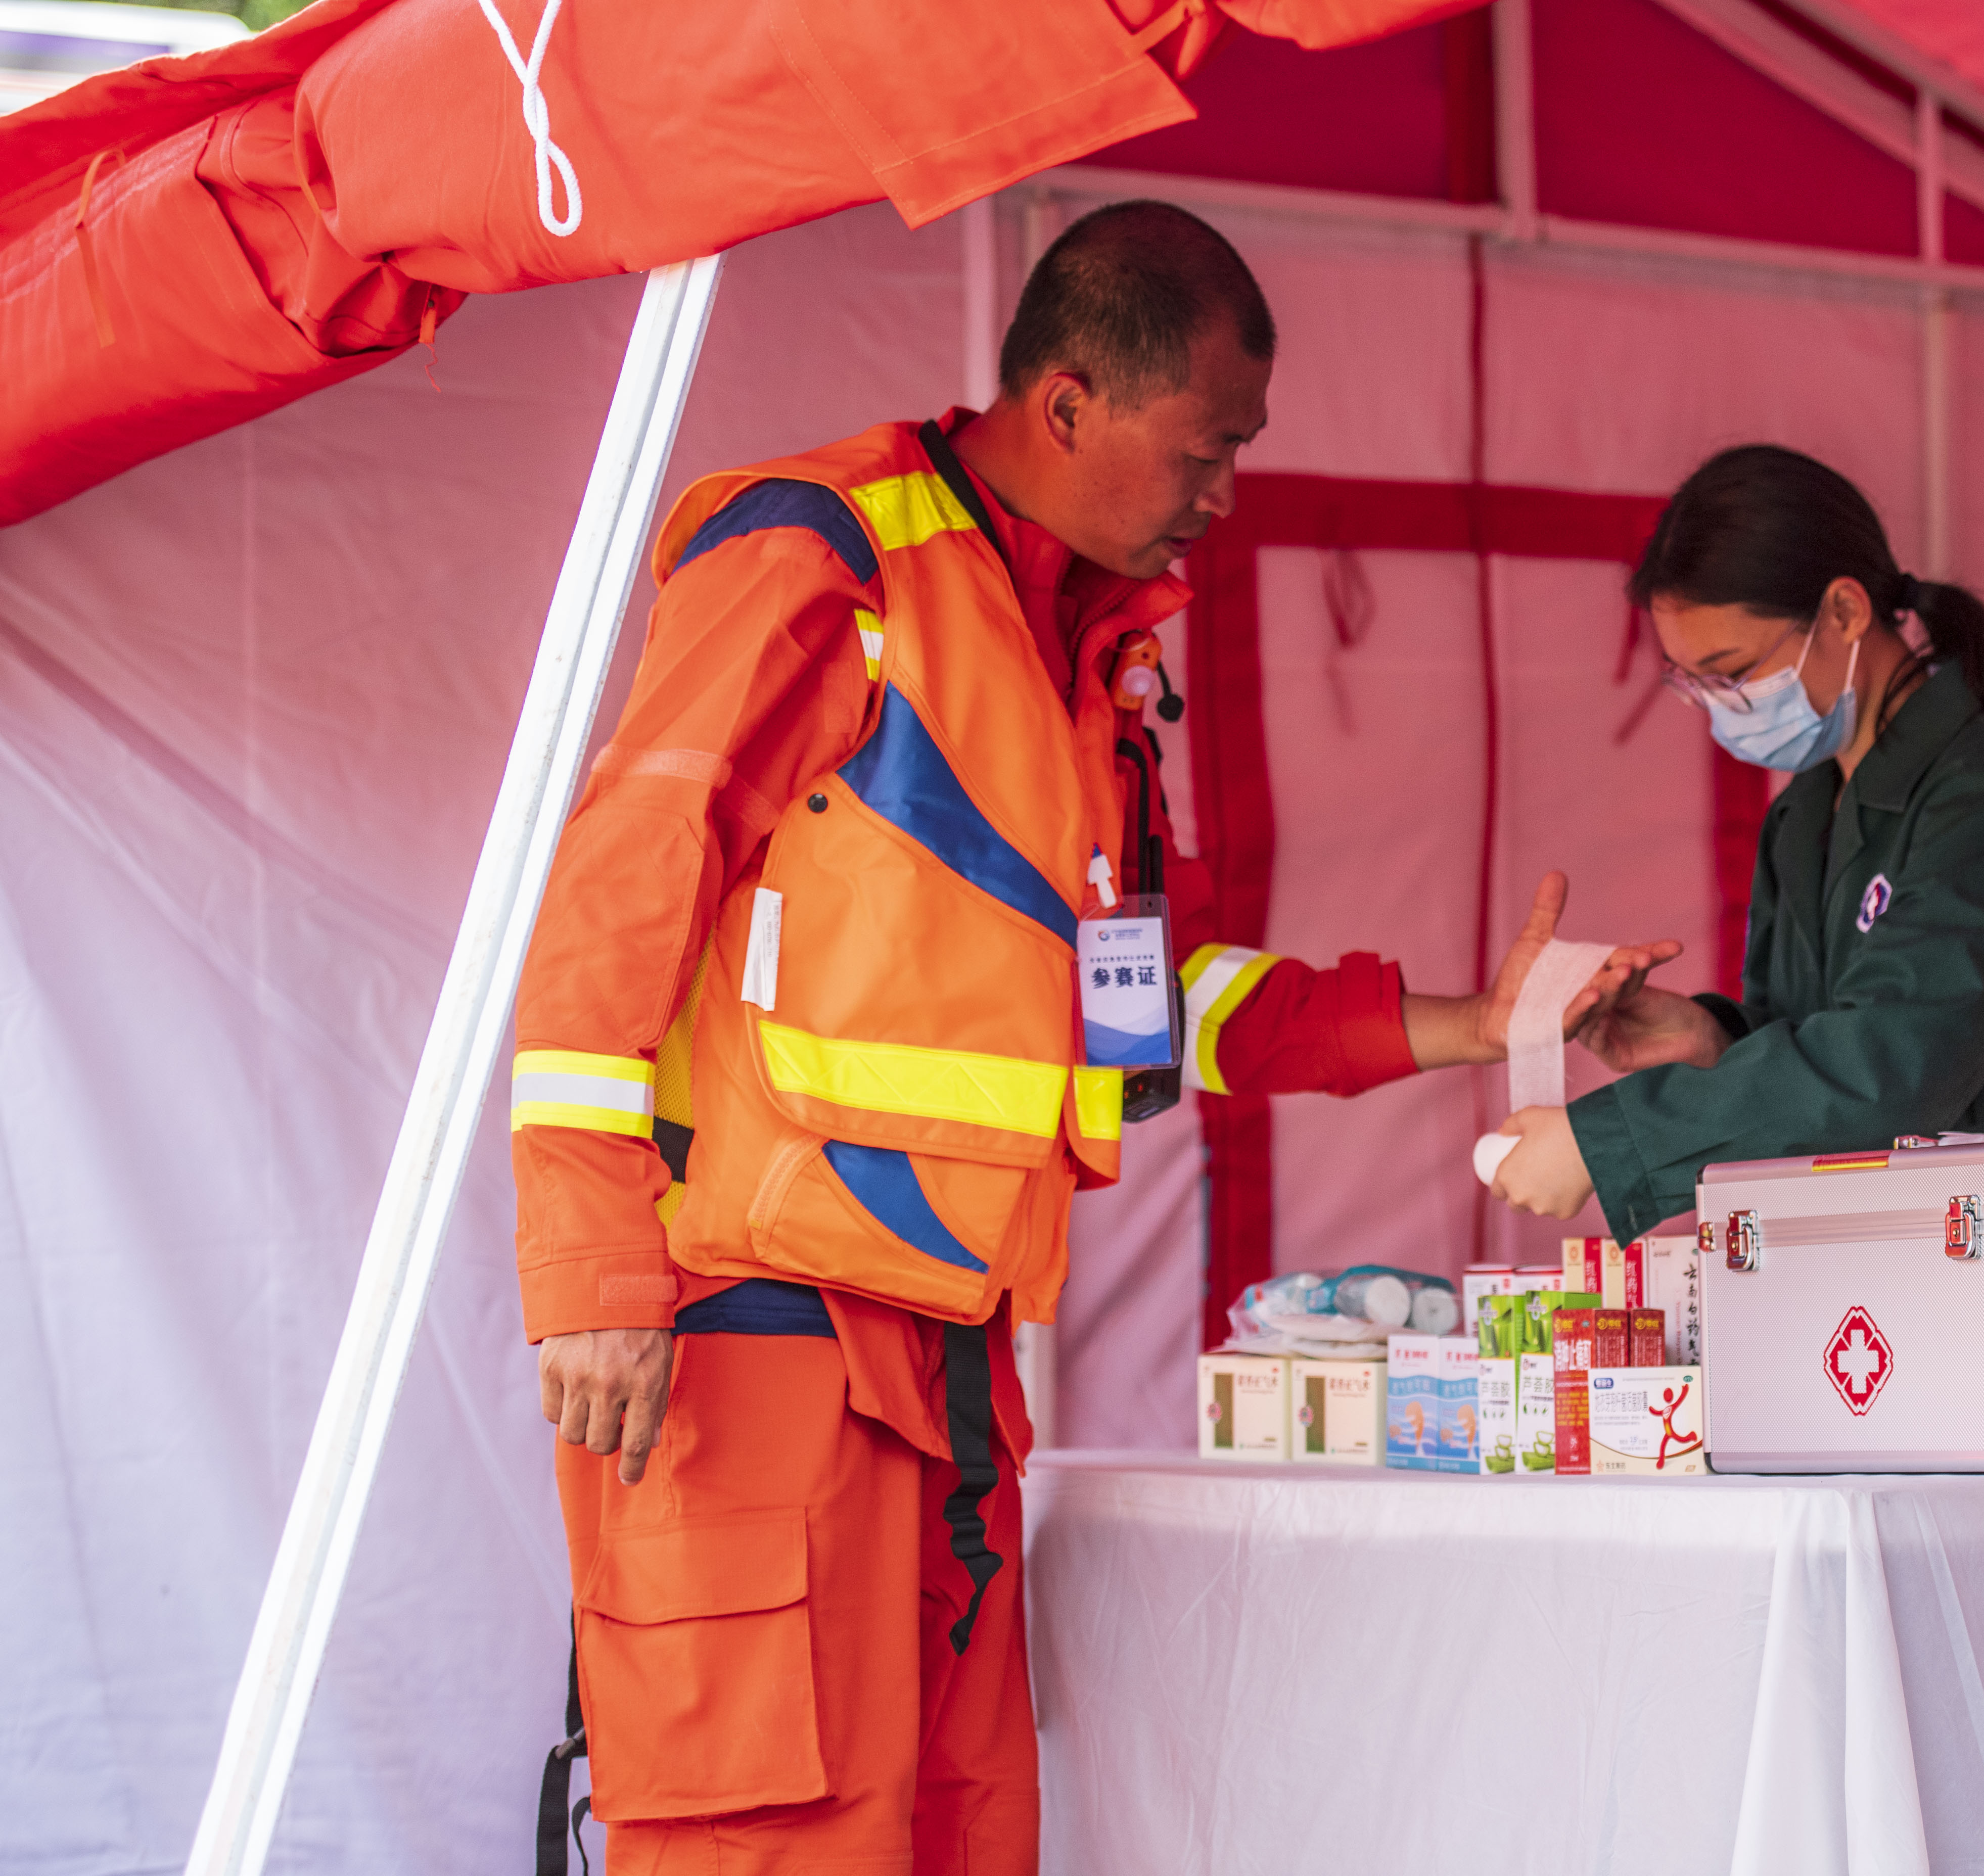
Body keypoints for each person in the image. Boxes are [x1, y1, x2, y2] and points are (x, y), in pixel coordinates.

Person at [513, 201, 1664, 1875]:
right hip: (749, 1325)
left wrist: (1467, 1025)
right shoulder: (823, 554)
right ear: (1067, 405)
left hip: (954, 1361)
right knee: (768, 1842)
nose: (1223, 495)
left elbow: (1149, 1011)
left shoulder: (1095, 674)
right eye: (1209, 447)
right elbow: (621, 892)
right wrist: (591, 1274)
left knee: (967, 1838)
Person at [1487, 443, 1984, 1239]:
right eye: (1695, 685)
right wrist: (1715, 1040)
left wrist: (1605, 1142)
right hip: (1875, 1251)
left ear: (1845, 613)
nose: (1724, 709)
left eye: (1734, 670)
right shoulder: (1807, 812)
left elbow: (1891, 1066)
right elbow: (1816, 1039)